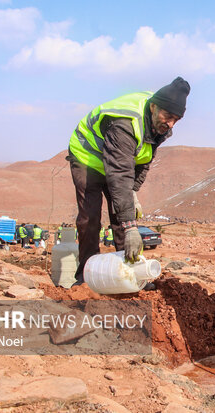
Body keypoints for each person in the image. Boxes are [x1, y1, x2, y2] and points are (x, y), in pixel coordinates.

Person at [67, 77, 190, 287]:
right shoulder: (125, 123)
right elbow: (119, 173)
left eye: (176, 119)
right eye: (168, 116)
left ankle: (131, 274)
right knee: (90, 219)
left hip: (117, 163)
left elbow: (143, 160)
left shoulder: (159, 125)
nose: (170, 123)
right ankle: (87, 276)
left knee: (122, 217)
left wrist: (132, 191)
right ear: (153, 106)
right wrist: (132, 227)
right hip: (88, 158)